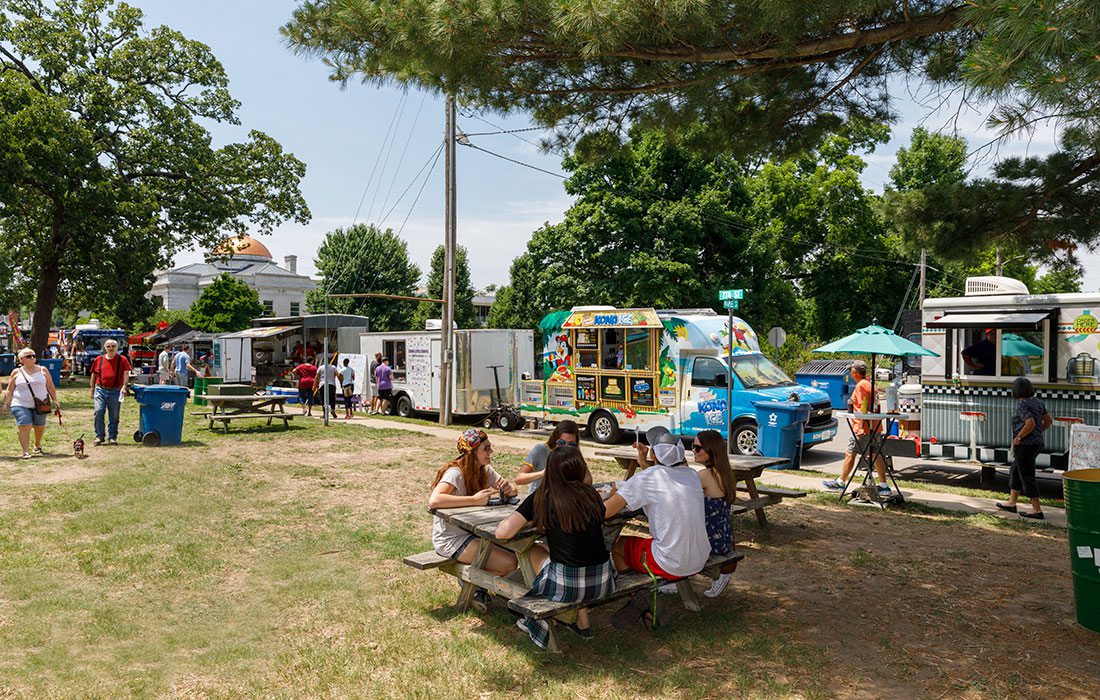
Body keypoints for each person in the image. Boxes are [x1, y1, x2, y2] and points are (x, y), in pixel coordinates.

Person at [497, 445, 612, 649]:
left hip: (568, 587)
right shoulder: (592, 495)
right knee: (561, 553)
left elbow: (502, 533)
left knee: (531, 549)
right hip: (603, 581)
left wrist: (530, 520)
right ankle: (582, 621)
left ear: (550, 470)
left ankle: (536, 611)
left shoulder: (544, 497)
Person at [603, 426, 711, 627]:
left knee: (618, 546)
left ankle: (639, 595)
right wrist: (646, 464)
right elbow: (662, 481)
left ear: (654, 454)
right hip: (699, 556)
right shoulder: (692, 476)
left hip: (670, 562)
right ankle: (643, 596)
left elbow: (606, 512)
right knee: (650, 543)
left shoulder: (647, 478)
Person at [428, 429, 519, 611]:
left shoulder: (485, 470)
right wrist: (474, 500)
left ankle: (478, 585)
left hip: (475, 533)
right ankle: (472, 582)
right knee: (509, 564)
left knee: (517, 555)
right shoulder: (455, 473)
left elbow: (513, 489)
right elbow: (434, 501)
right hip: (451, 539)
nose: (490, 452)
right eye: (486, 448)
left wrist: (509, 489)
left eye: (490, 448)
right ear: (473, 452)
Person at [683, 430, 740, 598]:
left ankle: (673, 580)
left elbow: (680, 492)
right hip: (724, 537)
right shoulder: (725, 473)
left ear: (711, 450)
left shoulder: (704, 475)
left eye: (698, 448)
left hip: (708, 541)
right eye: (693, 446)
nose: (693, 450)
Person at [822, 360, 891, 495]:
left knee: (850, 453)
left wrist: (859, 423)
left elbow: (862, 408)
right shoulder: (870, 384)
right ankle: (883, 485)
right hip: (875, 426)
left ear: (854, 372)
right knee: (875, 454)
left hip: (863, 427)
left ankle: (841, 483)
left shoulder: (861, 386)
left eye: (850, 370)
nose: (850, 373)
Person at [997, 377, 1052, 520]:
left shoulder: (1023, 404)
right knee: (1015, 470)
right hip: (1036, 443)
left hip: (1025, 445)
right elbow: (1048, 421)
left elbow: (1030, 423)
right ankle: (1011, 502)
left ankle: (1036, 510)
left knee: (1027, 475)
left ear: (1017, 390)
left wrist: (1019, 438)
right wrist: (1037, 433)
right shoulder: (1038, 402)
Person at [1, 348, 61, 459]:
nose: (32, 358)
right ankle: (25, 451)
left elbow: (50, 386)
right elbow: (10, 389)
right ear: (21, 359)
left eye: (33, 355)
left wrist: (55, 399)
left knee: (39, 426)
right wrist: (5, 403)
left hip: (41, 403)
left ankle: (37, 444)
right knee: (24, 425)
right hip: (20, 403)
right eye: (28, 356)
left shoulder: (43, 370)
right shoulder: (16, 372)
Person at [514, 420, 591, 492]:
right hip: (539, 499)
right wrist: (543, 473)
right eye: (561, 443)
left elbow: (588, 480)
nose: (566, 447)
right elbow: (519, 479)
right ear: (555, 440)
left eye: (571, 444)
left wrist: (577, 454)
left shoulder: (573, 454)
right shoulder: (541, 450)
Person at [90, 339, 131, 446]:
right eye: (108, 346)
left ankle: (112, 437)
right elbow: (94, 375)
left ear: (117, 348)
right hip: (100, 390)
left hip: (116, 391)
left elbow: (126, 374)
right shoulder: (99, 359)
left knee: (114, 415)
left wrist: (124, 386)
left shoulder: (122, 360)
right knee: (98, 412)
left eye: (113, 346)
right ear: (105, 348)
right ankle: (99, 436)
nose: (111, 348)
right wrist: (92, 390)